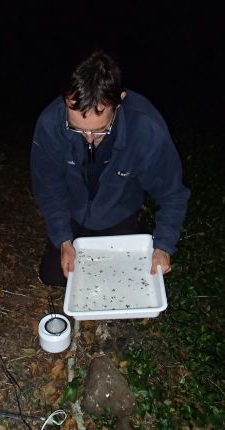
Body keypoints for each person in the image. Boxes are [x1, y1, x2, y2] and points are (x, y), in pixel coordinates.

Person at [30, 50, 190, 287]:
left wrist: (163, 245)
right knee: (54, 276)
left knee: (122, 281)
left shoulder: (146, 128)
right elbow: (48, 188)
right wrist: (64, 240)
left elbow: (172, 193)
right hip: (73, 209)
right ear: (66, 99)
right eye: (77, 129)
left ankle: (134, 230)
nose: (88, 138)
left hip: (120, 210)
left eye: (99, 130)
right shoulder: (50, 123)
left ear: (120, 100)